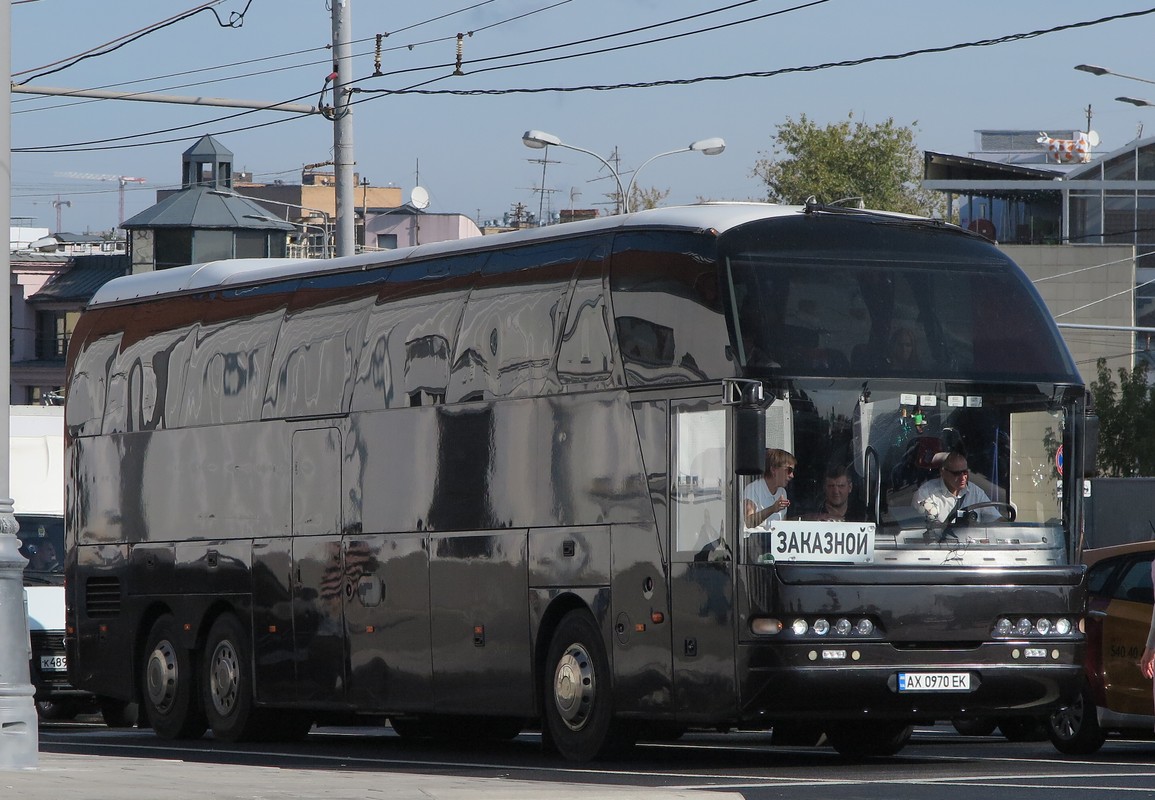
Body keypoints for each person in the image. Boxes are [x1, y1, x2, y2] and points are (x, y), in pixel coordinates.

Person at [913, 450, 998, 524]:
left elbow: (996, 519)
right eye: (957, 473)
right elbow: (918, 527)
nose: (963, 477)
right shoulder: (926, 493)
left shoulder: (975, 492)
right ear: (943, 472)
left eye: (965, 472)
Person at [744, 448, 795, 528]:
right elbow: (749, 522)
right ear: (774, 470)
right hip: (755, 539)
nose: (792, 475)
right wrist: (772, 509)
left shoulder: (782, 492)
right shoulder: (753, 489)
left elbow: (782, 526)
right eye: (789, 470)